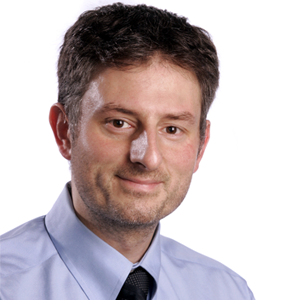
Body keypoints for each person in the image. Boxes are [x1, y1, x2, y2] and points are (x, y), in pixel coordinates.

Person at [0, 3, 255, 300]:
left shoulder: (226, 291)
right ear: (64, 131)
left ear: (201, 146)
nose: (147, 158)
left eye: (172, 129)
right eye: (119, 123)